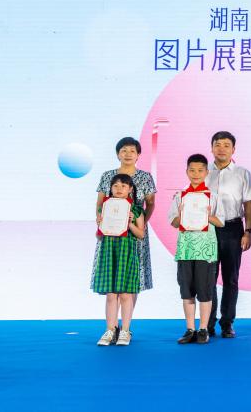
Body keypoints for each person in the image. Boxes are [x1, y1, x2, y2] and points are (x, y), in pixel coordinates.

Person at [93, 137, 156, 322]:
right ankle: (112, 325)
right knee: (112, 276)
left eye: (132, 151)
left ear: (138, 155)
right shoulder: (107, 176)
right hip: (111, 233)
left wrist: (140, 223)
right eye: (124, 150)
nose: (128, 154)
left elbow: (150, 203)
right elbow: (100, 203)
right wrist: (101, 223)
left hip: (134, 233)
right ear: (117, 154)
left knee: (131, 277)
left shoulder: (145, 177)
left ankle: (125, 324)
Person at [206, 131, 251, 338]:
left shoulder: (242, 173)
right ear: (212, 148)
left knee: (231, 278)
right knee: (208, 279)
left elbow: (249, 206)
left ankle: (227, 323)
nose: (222, 149)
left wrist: (248, 231)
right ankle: (207, 323)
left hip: (233, 229)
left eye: (226, 145)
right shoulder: (203, 171)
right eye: (218, 144)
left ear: (233, 149)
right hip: (208, 230)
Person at [169, 154, 224, 345]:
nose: (196, 174)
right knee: (187, 291)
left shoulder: (213, 197)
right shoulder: (180, 196)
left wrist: (208, 216)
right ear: (186, 171)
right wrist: (181, 215)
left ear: (207, 172)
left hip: (206, 250)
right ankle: (190, 329)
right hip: (186, 249)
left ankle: (203, 329)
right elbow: (173, 222)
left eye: (200, 170)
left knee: (205, 291)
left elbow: (221, 221)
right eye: (192, 170)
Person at [93, 174, 145, 346]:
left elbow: (141, 234)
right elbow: (99, 236)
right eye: (115, 185)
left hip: (126, 254)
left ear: (130, 189)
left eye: (123, 186)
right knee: (111, 294)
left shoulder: (135, 210)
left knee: (125, 294)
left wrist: (129, 223)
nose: (119, 189)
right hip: (109, 253)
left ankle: (125, 331)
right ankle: (110, 330)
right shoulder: (105, 207)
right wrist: (100, 225)